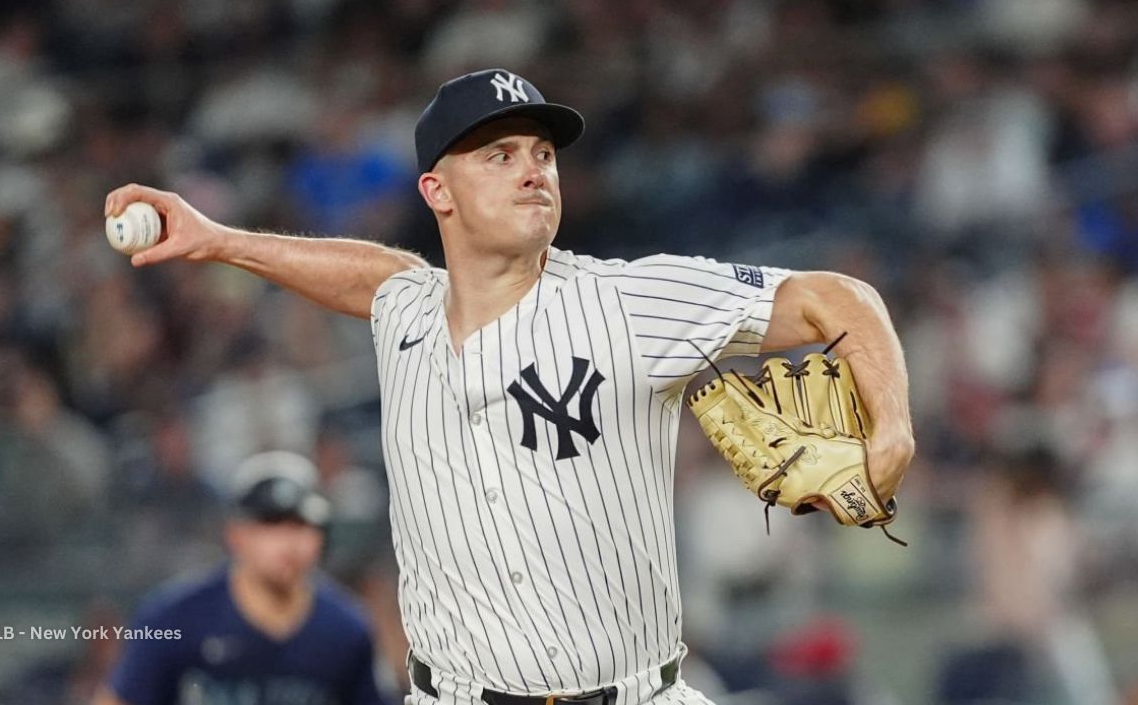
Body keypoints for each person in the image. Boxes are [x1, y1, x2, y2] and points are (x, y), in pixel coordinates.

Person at [104, 68, 914, 705]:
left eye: (543, 154)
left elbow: (834, 297)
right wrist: (218, 241)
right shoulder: (407, 310)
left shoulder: (629, 302)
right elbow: (376, 275)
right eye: (499, 155)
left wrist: (892, 429)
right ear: (437, 191)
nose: (533, 172)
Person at [94, 451, 390, 705]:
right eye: (271, 524)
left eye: (301, 525)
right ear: (236, 534)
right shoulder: (174, 619)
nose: (287, 542)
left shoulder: (346, 629)